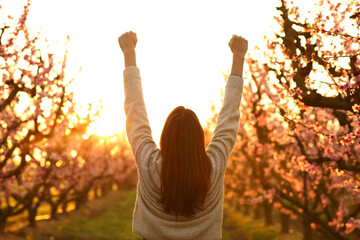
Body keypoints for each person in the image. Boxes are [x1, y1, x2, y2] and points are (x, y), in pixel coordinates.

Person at [118, 31, 247, 240]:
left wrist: (129, 54)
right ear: (199, 139)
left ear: (165, 138)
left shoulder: (148, 163)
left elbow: (135, 113)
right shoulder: (214, 167)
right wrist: (239, 58)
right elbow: (229, 118)